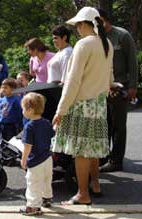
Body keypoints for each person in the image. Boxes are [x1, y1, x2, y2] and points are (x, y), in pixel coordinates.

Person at [52, 7, 113, 205]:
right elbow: (109, 77)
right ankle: (95, 184)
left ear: (83, 24)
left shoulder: (83, 45)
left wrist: (60, 109)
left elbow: (73, 81)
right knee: (92, 148)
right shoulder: (107, 43)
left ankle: (82, 194)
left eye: (78, 24)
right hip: (99, 104)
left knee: (81, 152)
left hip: (82, 104)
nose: (76, 28)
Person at [97, 8, 139, 172]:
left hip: (120, 86)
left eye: (97, 21)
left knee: (118, 125)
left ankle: (116, 161)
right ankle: (103, 157)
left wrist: (133, 86)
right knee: (105, 124)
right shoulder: (96, 38)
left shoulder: (122, 35)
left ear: (105, 19)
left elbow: (133, 62)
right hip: (101, 87)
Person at [20, 92, 55, 216]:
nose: (23, 111)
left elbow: (28, 146)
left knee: (33, 183)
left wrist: (24, 160)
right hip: (47, 158)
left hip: (36, 161)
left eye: (23, 109)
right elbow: (52, 134)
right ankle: (47, 198)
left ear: (30, 110)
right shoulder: (46, 122)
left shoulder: (29, 127)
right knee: (46, 180)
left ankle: (33, 206)